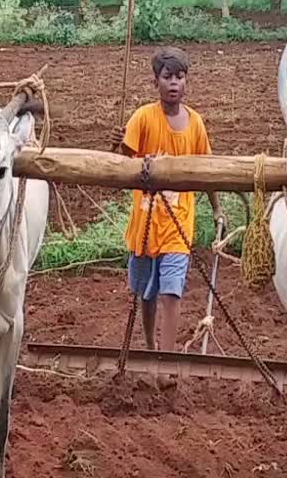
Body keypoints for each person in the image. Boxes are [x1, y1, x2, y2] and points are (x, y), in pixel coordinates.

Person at [111, 46, 224, 359]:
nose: (174, 83)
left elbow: (206, 168)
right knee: (145, 292)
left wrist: (216, 208)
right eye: (167, 77)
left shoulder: (196, 123)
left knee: (171, 289)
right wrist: (118, 147)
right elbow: (123, 164)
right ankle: (149, 348)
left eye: (180, 77)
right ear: (156, 82)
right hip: (145, 224)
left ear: (186, 82)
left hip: (179, 222)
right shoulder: (143, 118)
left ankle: (167, 356)